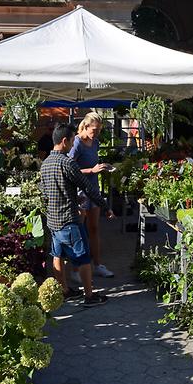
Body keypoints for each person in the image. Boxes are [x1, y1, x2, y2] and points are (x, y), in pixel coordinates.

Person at [40, 123, 114, 307]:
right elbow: (88, 188)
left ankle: (64, 291)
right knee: (82, 257)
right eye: (72, 140)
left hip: (53, 219)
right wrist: (105, 207)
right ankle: (89, 296)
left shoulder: (45, 163)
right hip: (69, 218)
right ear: (65, 141)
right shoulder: (67, 163)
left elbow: (45, 190)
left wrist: (70, 197)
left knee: (57, 255)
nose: (73, 143)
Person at [68, 112, 114, 278]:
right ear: (85, 127)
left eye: (99, 130)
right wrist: (91, 170)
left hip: (93, 189)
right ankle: (75, 269)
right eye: (94, 130)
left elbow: (93, 164)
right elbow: (69, 169)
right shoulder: (77, 143)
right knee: (79, 230)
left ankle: (97, 265)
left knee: (94, 228)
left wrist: (102, 167)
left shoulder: (95, 143)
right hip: (80, 192)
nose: (97, 133)